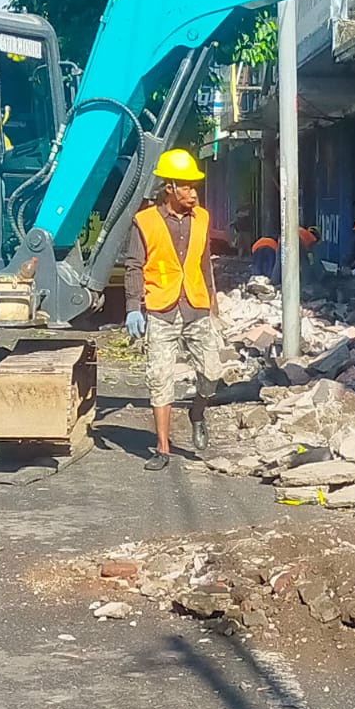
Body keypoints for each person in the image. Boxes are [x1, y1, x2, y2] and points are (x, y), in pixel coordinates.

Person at [123, 148, 222, 472]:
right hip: (160, 309)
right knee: (159, 379)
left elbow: (204, 262)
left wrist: (213, 301)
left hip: (195, 306)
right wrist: (132, 307)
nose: (193, 193)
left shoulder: (203, 218)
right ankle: (163, 448)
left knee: (211, 373)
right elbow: (134, 266)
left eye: (195, 187)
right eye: (187, 186)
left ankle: (197, 411)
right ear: (170, 188)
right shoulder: (145, 221)